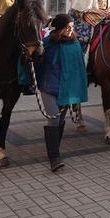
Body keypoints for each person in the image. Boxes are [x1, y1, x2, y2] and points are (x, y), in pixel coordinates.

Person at [34, 14, 89, 171]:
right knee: (53, 119)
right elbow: (36, 62)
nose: (71, 30)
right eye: (67, 27)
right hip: (49, 87)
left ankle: (54, 148)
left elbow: (79, 67)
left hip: (66, 88)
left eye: (72, 27)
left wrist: (78, 86)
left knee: (60, 121)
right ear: (58, 29)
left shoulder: (75, 44)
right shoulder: (46, 44)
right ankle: (54, 158)